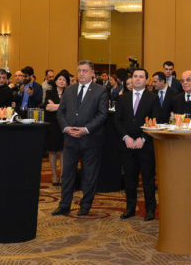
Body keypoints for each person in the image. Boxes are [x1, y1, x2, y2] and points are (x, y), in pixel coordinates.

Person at [52, 60, 109, 216]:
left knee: (89, 174)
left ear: (92, 73)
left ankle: (85, 205)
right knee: (67, 174)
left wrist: (86, 129)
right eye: (79, 71)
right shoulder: (69, 90)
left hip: (91, 140)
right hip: (70, 139)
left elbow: (102, 114)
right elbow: (61, 112)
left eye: (85, 71)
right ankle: (64, 205)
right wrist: (66, 128)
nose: (81, 74)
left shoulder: (100, 91)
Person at [114, 68, 160, 221]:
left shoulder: (153, 98)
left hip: (145, 145)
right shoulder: (122, 98)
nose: (138, 79)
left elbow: (156, 120)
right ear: (131, 79)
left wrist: (143, 138)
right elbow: (117, 121)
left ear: (146, 80)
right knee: (129, 179)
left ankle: (150, 209)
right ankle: (130, 208)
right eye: (135, 76)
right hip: (127, 145)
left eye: (141, 77)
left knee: (148, 180)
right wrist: (125, 137)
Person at [44, 70, 70, 186]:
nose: (61, 81)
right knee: (52, 151)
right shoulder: (50, 92)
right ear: (55, 81)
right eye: (60, 79)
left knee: (63, 151)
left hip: (64, 124)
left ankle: (63, 176)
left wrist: (55, 105)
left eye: (64, 80)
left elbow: (70, 108)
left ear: (66, 83)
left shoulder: (68, 94)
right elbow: (48, 107)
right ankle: (54, 175)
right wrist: (62, 106)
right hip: (52, 125)